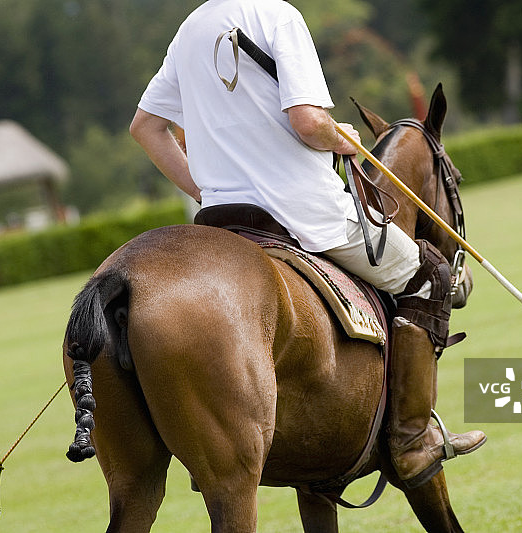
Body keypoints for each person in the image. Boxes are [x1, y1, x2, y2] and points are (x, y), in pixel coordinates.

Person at [129, 0, 485, 487]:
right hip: (302, 212)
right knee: (431, 276)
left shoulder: (190, 29)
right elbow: (305, 120)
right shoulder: (279, 15)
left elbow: (145, 128)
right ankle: (411, 438)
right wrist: (339, 136)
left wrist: (204, 188)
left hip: (222, 220)